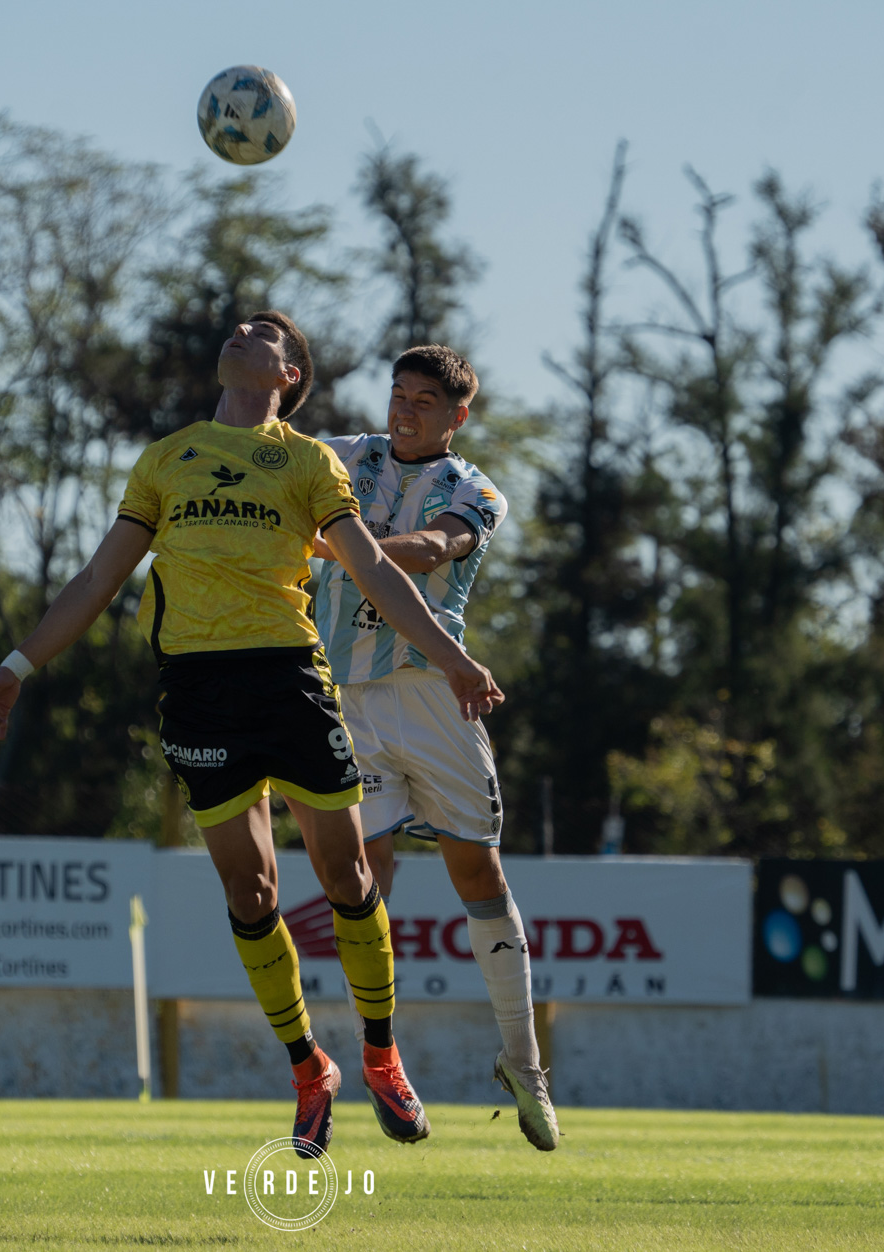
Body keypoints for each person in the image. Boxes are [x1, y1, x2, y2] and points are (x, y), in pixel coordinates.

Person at [0, 312, 504, 1157]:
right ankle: (308, 1068)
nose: (244, 329)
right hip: (197, 692)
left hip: (291, 679)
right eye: (241, 325)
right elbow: (101, 575)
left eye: (267, 331)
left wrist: (452, 662)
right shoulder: (167, 459)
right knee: (251, 894)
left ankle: (380, 1052)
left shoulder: (306, 461)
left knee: (346, 870)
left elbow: (373, 568)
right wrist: (17, 664)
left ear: (289, 374)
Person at [307, 344, 557, 1151]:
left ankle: (524, 1063)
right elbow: (272, 455)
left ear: (458, 416)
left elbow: (431, 550)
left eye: (424, 400)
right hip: (351, 699)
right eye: (399, 393)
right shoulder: (348, 458)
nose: (404, 409)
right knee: (361, 875)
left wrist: (333, 545)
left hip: (435, 696)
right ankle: (381, 1058)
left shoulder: (475, 490)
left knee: (476, 871)